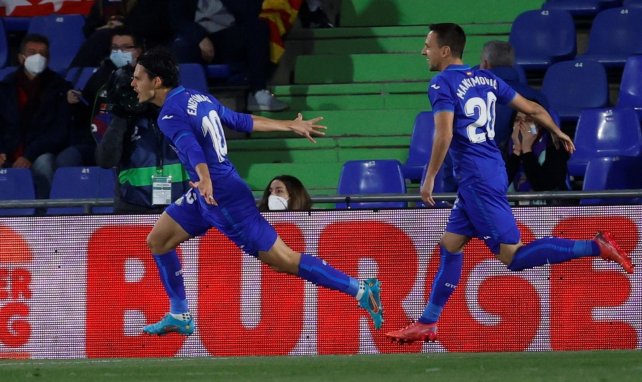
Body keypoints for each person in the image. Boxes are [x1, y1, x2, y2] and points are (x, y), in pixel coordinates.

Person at [385, 23, 634, 345]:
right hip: (489, 171)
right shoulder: (487, 79)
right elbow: (532, 108)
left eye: (427, 45)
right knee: (450, 245)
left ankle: (595, 246)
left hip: (477, 179)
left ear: (445, 50)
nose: (424, 51)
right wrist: (556, 131)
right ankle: (428, 322)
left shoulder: (441, 83)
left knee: (513, 257)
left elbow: (444, 134)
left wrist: (429, 178)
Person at [130, 48, 382, 335]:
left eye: (138, 77)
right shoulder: (197, 97)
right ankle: (179, 313)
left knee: (284, 261)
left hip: (220, 195)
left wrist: (203, 177)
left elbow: (190, 146)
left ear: (157, 81)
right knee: (158, 241)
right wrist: (289, 125)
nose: (133, 83)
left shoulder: (168, 116)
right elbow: (241, 121)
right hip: (207, 191)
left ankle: (361, 289)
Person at [93, 30, 190, 214]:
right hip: (132, 209)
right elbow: (105, 160)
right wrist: (122, 116)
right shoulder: (123, 115)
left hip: (180, 210)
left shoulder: (183, 112)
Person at [169, 0, 288, 112]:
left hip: (227, 35)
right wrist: (199, 37)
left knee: (258, 28)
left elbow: (250, 12)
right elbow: (176, 17)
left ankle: (257, 92)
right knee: (181, 46)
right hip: (194, 37)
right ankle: (186, 105)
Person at [0, 34, 71, 199]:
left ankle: (45, 215)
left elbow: (58, 132)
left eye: (43, 53)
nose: (38, 57)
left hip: (40, 152)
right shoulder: (5, 87)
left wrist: (29, 155)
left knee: (44, 165)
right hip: (9, 150)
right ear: (20, 57)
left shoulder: (59, 87)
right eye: (32, 52)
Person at [479, 40, 551, 153]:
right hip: (525, 162)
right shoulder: (539, 99)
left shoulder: (469, 96)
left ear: (485, 64)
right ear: (512, 64)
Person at [506, 109, 570, 203]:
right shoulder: (505, 146)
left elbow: (542, 185)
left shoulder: (556, 148)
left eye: (528, 120)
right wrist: (517, 151)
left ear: (539, 125)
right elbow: (501, 184)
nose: (521, 124)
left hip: (548, 211)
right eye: (517, 120)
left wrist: (527, 149)